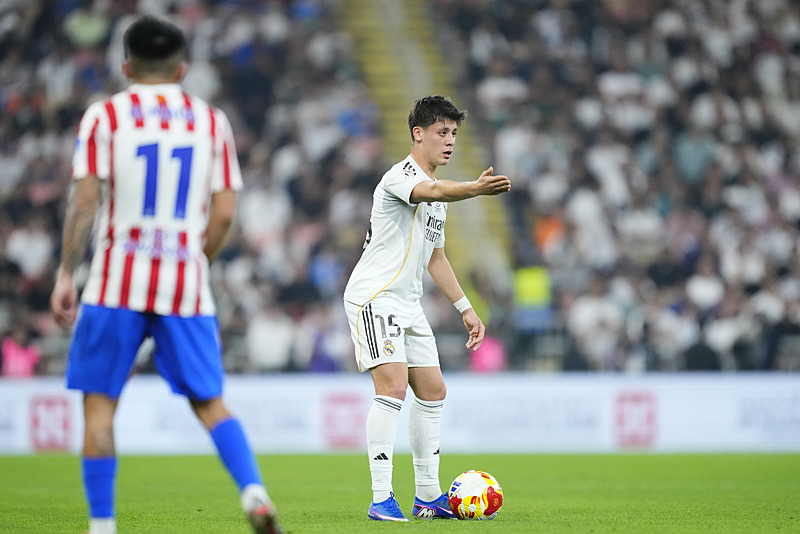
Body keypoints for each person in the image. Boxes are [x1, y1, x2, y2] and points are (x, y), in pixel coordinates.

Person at [49, 17, 282, 534]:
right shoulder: (210, 121)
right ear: (182, 69)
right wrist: (199, 260)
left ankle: (102, 525)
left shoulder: (105, 116)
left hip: (115, 279)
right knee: (210, 402)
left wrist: (66, 273)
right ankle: (254, 491)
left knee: (99, 406)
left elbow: (84, 201)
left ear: (125, 65)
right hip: (184, 283)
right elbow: (224, 212)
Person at [342, 95, 511, 521]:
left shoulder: (437, 200)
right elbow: (432, 189)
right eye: (441, 132)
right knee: (393, 388)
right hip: (375, 295)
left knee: (433, 390)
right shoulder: (400, 176)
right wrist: (474, 188)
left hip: (408, 302)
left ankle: (428, 496)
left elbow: (436, 257)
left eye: (454, 133)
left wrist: (465, 308)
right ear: (418, 134)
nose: (450, 141)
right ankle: (381, 498)